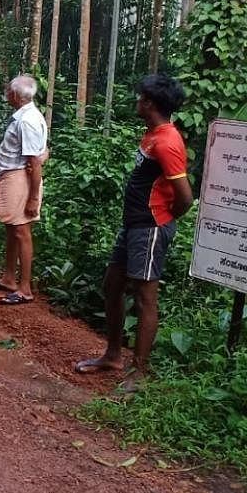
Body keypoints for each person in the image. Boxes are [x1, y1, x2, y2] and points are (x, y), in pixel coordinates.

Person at [75, 75, 193, 391]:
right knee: (112, 285)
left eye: (140, 97)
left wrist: (163, 219)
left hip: (150, 227)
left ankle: (139, 373)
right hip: (134, 224)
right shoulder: (152, 135)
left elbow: (185, 196)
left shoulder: (168, 142)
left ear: (150, 103)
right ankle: (113, 355)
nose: (137, 101)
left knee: (145, 298)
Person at [0, 74, 48, 305]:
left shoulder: (27, 121)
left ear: (16, 96)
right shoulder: (25, 117)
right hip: (13, 176)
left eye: (9, 90)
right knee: (12, 228)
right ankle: (9, 278)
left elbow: (35, 161)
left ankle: (25, 288)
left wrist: (33, 197)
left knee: (21, 231)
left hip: (20, 179)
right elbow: (42, 152)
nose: (6, 93)